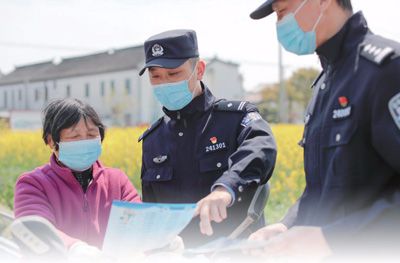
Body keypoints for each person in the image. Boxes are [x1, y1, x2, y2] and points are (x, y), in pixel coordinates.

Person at [248, 0, 400, 260]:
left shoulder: (387, 70)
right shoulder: (325, 85)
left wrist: (334, 238)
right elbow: (319, 190)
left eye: (282, 11)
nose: (279, 24)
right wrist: (288, 225)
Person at [138, 29, 277, 247]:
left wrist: (226, 188)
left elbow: (261, 147)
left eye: (173, 74)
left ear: (199, 70)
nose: (164, 83)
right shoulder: (153, 140)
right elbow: (153, 211)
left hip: (234, 251)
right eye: (155, 76)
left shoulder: (235, 118)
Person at [14, 99, 141, 257]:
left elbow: (139, 224)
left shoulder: (117, 181)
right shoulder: (33, 184)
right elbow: (36, 230)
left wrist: (160, 239)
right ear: (51, 141)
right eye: (75, 136)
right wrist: (74, 248)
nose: (85, 142)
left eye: (91, 134)